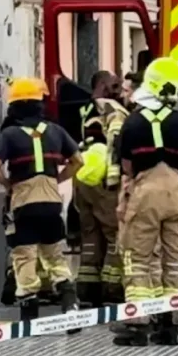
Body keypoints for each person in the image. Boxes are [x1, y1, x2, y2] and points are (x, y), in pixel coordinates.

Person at [114, 58, 178, 347]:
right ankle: (170, 326)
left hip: (145, 193)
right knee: (175, 261)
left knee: (138, 259)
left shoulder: (133, 121)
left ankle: (138, 326)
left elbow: (126, 166)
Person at [0, 77, 84, 326]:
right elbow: (78, 161)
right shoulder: (56, 131)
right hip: (51, 202)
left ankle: (29, 315)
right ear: (40, 103)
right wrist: (58, 178)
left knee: (24, 255)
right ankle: (69, 304)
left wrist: (9, 184)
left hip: (24, 203)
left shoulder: (9, 135)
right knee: (54, 253)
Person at [74, 71, 127, 307]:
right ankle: (112, 289)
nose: (119, 89)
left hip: (84, 177)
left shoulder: (85, 108)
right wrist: (115, 177)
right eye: (115, 84)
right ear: (103, 85)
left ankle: (87, 291)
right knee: (115, 234)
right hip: (105, 179)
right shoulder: (112, 109)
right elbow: (115, 141)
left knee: (90, 234)